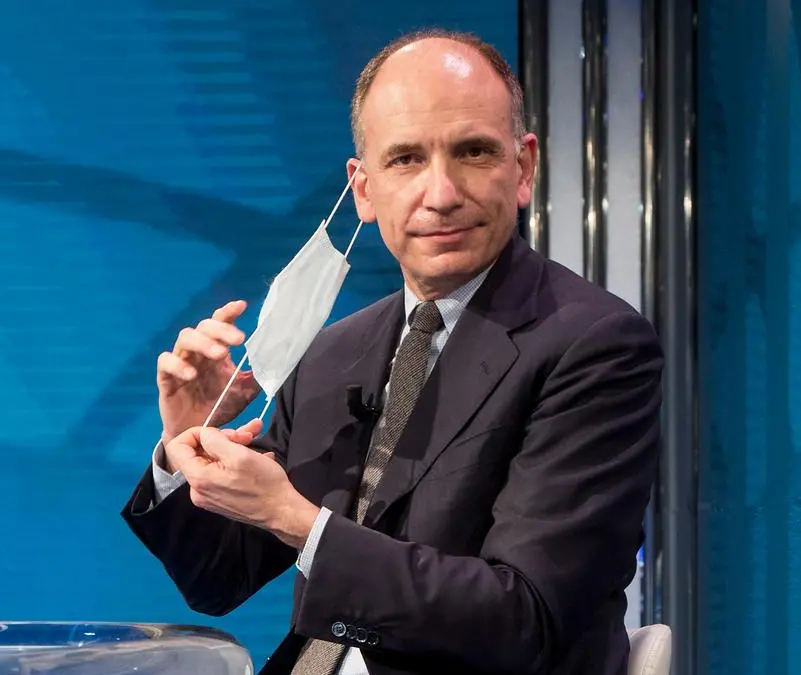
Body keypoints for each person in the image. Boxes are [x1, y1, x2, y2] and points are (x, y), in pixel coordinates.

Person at [122, 28, 663, 675]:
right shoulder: (332, 354)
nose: (442, 193)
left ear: (523, 168)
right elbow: (216, 578)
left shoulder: (596, 345)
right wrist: (189, 441)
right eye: (406, 159)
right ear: (363, 189)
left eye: (473, 152)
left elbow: (528, 620)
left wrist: (298, 521)